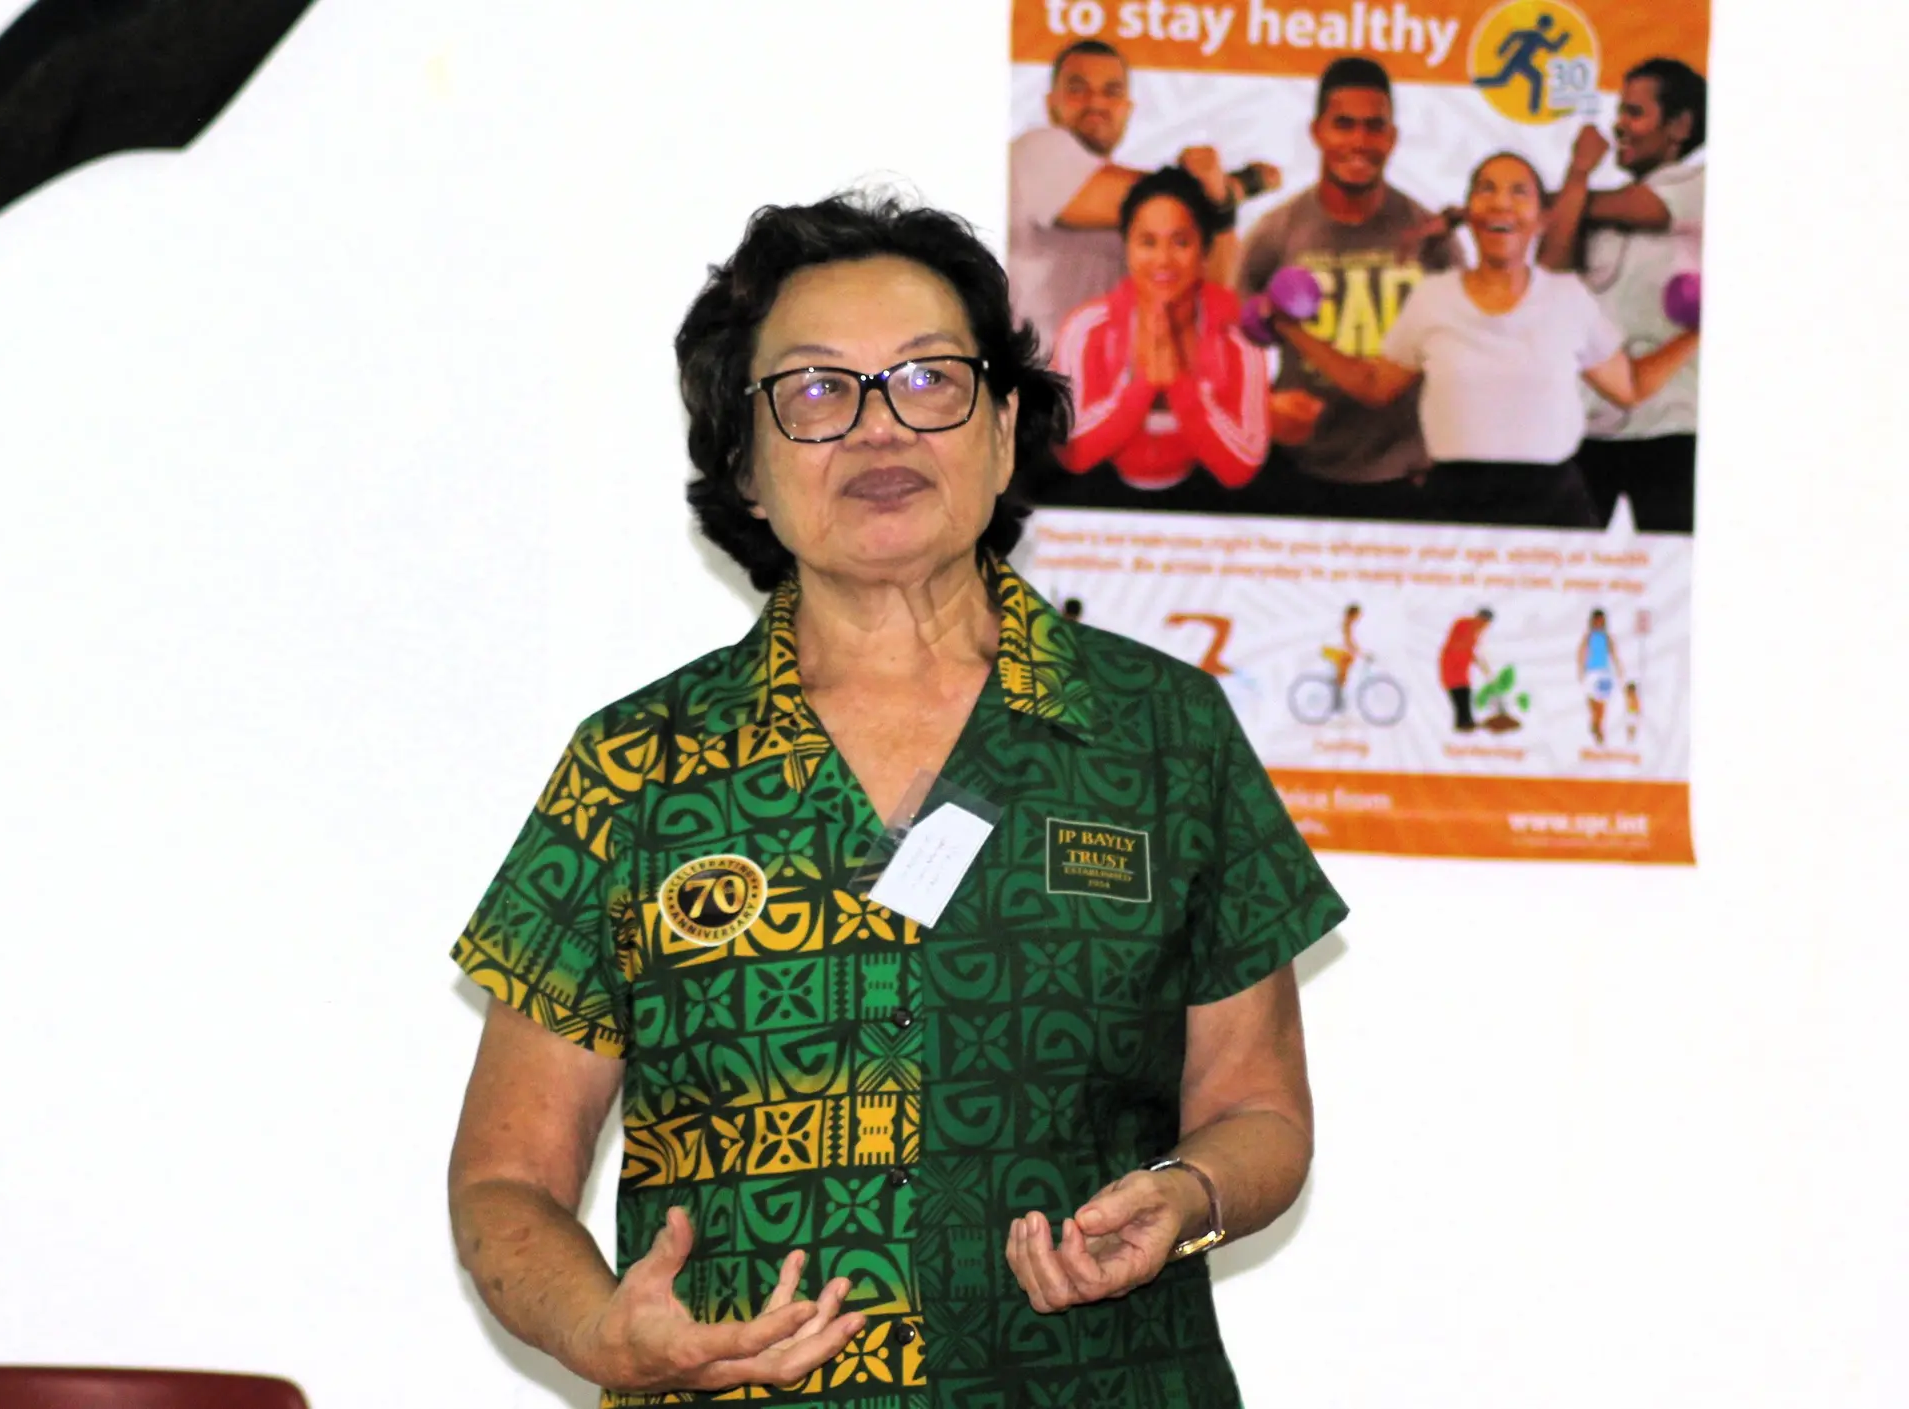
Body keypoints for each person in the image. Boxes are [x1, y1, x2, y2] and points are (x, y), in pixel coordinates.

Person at [446, 192, 1349, 1409]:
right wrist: (600, 1327)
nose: (880, 430)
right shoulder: (637, 765)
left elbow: (1256, 1108)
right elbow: (506, 1177)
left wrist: (1190, 1193)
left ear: (1003, 424)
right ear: (746, 467)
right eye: (816, 392)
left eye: (929, 380)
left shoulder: (1160, 735)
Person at [1268, 152, 1702, 529]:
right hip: (1454, 497)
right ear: (1471, 211)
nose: (1501, 202)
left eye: (1519, 192)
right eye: (1486, 189)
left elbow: (1630, 387)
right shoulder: (1432, 298)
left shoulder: (1568, 296)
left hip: (1551, 503)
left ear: (1542, 218)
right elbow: (1374, 386)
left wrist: (1702, 329)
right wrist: (1291, 329)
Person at [1233, 57, 1454, 523]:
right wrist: (1264, 404)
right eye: (1344, 124)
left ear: (1392, 137)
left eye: (1374, 127)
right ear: (1317, 132)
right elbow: (1229, 343)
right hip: (1301, 471)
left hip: (1407, 474)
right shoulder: (1276, 232)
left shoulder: (1430, 237)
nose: (1359, 141)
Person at [1009, 39, 1277, 351]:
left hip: (1113, 387)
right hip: (1037, 384)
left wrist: (1223, 208)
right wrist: (1233, 187)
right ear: (1051, 103)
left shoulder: (1162, 205)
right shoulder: (1036, 150)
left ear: (1128, 108)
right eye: (1078, 88)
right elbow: (1163, 200)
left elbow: (1215, 296)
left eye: (1112, 91)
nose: (1096, 102)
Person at [1540, 59, 1707, 533]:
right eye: (1619, 110)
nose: (1618, 124)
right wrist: (1575, 176)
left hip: (1669, 426)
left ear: (1680, 126)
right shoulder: (1596, 205)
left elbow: (1640, 208)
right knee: (1562, 568)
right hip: (1588, 428)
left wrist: (1553, 192)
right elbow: (1551, 267)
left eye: (1634, 112)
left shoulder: (1700, 186)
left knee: (1670, 573)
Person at [1051, 167, 1274, 507]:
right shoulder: (1086, 326)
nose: (1163, 260)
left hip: (1209, 511)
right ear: (1127, 247)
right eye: (1147, 242)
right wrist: (1141, 387)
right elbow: (1072, 452)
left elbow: (1241, 466)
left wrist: (1181, 386)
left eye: (1181, 241)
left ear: (1205, 249)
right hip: (1097, 513)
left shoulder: (1238, 328)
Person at [1439, 608, 1492, 732]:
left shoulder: (1474, 629)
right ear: (1482, 618)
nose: (1486, 627)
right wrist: (1476, 659)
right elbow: (1461, 645)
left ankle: (1465, 722)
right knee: (1461, 692)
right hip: (1452, 666)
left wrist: (1478, 661)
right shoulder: (1466, 625)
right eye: (1486, 623)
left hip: (1460, 668)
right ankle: (1463, 723)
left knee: (1464, 692)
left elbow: (1468, 648)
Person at [1578, 608, 1625, 744]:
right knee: (1593, 704)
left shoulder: (1607, 637)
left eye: (1601, 621)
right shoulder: (1588, 637)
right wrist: (1580, 669)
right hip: (1590, 672)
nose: (1598, 623)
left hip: (1604, 673)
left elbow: (1614, 654)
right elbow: (1581, 653)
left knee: (1602, 703)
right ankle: (1595, 724)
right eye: (1596, 621)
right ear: (1592, 622)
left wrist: (1619, 668)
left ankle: (1598, 728)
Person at [1321, 603, 1361, 711]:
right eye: (1357, 615)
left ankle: (1338, 694)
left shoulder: (1346, 623)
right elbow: (1348, 641)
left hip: (1331, 649)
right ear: (1353, 614)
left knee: (1345, 666)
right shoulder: (1346, 623)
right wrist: (1359, 651)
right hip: (1332, 650)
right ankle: (1336, 699)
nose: (1358, 618)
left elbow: (1348, 641)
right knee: (1345, 664)